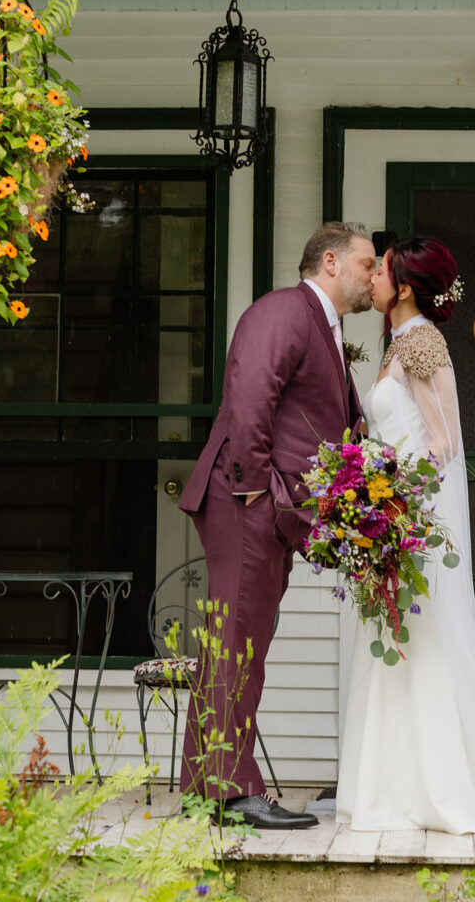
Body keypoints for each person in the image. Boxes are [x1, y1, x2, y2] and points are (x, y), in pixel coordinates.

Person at [337, 235, 475, 833]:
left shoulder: (423, 342)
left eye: (380, 271)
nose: (373, 280)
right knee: (399, 650)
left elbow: (443, 445)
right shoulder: (396, 343)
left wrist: (392, 503)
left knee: (424, 647)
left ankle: (437, 789)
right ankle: (391, 787)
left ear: (403, 287)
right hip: (391, 521)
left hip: (411, 523)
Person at [179, 222, 376, 830]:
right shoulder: (282, 311)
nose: (374, 276)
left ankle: (209, 790)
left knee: (239, 646)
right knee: (235, 643)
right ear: (331, 262)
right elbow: (248, 399)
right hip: (246, 502)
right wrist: (256, 490)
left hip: (270, 509)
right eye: (368, 264)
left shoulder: (323, 323)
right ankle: (231, 794)